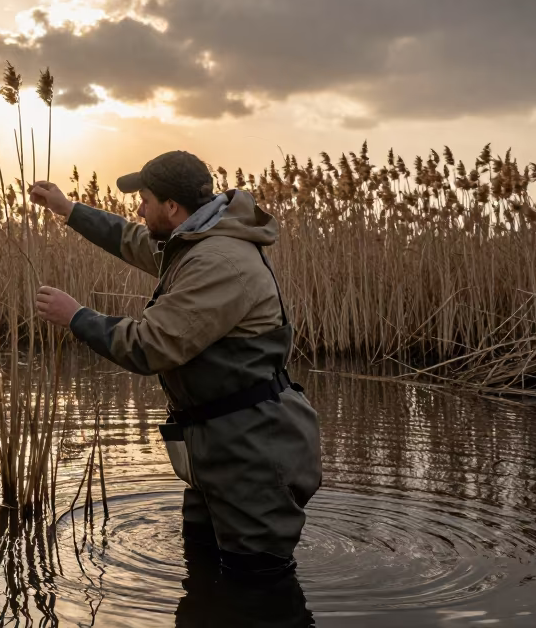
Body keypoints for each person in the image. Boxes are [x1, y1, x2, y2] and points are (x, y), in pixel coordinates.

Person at [29, 150, 322, 578]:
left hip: (252, 451)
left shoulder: (216, 261)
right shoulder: (194, 241)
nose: (138, 208)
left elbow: (150, 346)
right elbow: (131, 239)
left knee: (257, 590)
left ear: (171, 207)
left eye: (145, 199)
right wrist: (67, 209)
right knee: (203, 570)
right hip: (215, 444)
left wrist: (76, 317)